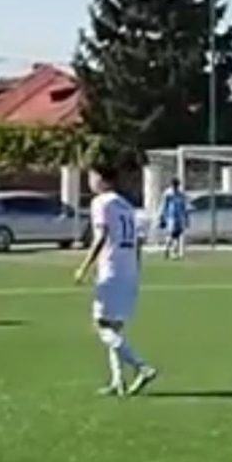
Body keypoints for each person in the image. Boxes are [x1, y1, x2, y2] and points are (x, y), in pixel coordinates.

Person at [74, 155, 158, 397]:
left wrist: (84, 267)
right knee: (115, 328)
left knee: (102, 326)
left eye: (92, 176)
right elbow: (138, 243)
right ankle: (117, 381)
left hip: (111, 269)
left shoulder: (101, 202)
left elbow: (101, 237)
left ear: (102, 179)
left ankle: (142, 367)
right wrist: (136, 271)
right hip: (129, 271)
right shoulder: (126, 206)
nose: (89, 181)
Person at [157, 177, 189, 260]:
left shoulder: (180, 194)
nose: (175, 187)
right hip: (171, 217)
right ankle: (167, 249)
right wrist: (161, 216)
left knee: (177, 235)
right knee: (171, 234)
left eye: (176, 185)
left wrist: (186, 218)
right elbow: (164, 205)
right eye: (174, 185)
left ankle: (173, 251)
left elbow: (183, 206)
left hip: (179, 217)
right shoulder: (168, 194)